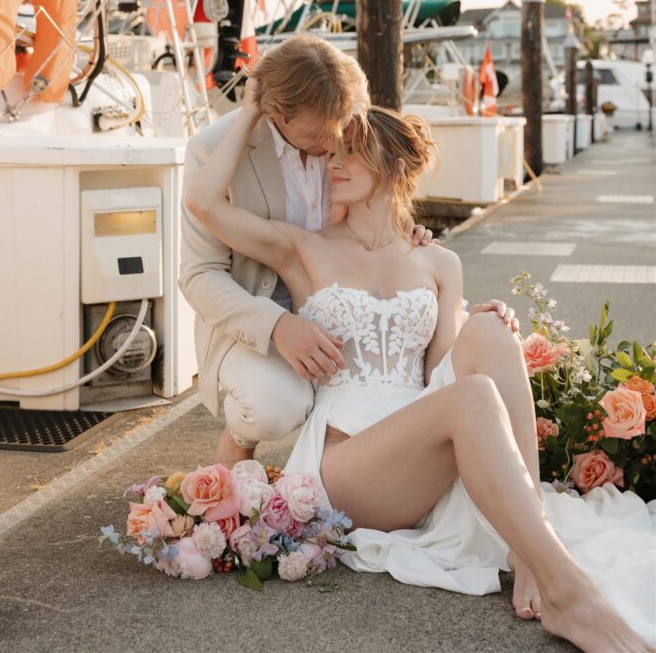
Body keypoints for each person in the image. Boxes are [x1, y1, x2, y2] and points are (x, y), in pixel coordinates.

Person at [185, 82, 655, 653]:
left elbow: (442, 369)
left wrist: (489, 328)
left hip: (421, 450)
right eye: (331, 152)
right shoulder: (303, 247)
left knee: (489, 331)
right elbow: (204, 204)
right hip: (348, 467)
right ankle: (567, 594)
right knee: (472, 397)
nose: (332, 163)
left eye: (349, 152)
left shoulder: (438, 259)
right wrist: (255, 106)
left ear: (391, 164)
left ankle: (532, 544)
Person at [180, 35, 517, 468]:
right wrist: (278, 326)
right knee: (272, 406)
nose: (333, 150)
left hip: (346, 288)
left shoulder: (342, 127)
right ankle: (240, 439)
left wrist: (403, 237)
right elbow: (199, 274)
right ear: (278, 114)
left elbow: (377, 188)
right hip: (259, 310)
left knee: (489, 338)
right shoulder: (212, 151)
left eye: (342, 137)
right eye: (321, 137)